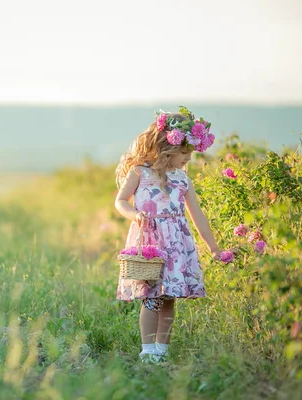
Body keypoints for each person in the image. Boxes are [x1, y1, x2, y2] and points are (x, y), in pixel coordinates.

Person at [114, 107, 222, 363]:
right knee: (151, 297)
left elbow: (198, 217)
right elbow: (120, 201)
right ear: (167, 148)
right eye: (184, 152)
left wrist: (214, 248)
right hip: (151, 242)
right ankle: (147, 350)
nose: (188, 158)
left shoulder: (183, 180)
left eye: (190, 153)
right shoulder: (140, 172)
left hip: (175, 245)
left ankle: (162, 350)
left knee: (169, 297)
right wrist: (134, 215)